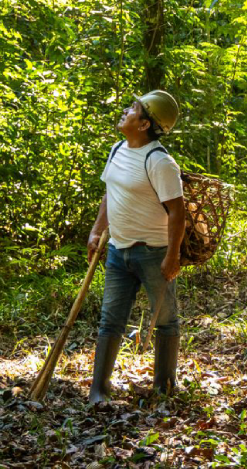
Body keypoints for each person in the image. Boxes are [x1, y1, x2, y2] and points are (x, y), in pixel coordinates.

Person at [86, 90, 185, 404]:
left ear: (144, 124)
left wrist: (172, 256)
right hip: (117, 250)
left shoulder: (159, 162)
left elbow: (177, 212)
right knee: (110, 319)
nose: (126, 111)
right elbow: (109, 194)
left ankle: (165, 387)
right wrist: (96, 230)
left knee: (166, 319)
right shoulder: (117, 149)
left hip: (153, 252)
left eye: (134, 108)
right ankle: (98, 392)